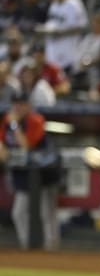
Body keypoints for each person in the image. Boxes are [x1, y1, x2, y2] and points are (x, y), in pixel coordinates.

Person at [0, 91, 60, 250]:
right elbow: (1, 141)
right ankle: (27, 247)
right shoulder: (7, 119)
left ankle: (51, 247)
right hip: (23, 174)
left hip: (44, 173)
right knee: (18, 213)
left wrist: (14, 125)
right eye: (15, 104)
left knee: (46, 213)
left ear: (29, 105)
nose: (18, 107)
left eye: (22, 104)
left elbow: (27, 146)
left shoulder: (35, 120)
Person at [35, 0, 88, 74]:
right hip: (54, 50)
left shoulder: (74, 3)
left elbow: (82, 27)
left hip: (69, 51)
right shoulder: (54, 5)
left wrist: (61, 33)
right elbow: (53, 24)